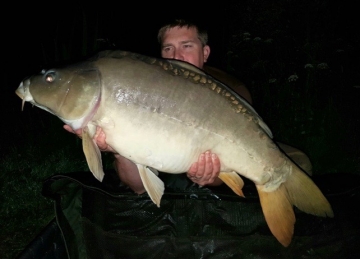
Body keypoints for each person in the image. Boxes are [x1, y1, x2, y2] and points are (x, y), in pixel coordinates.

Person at [64, 19, 312, 195]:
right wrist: (116, 148)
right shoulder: (143, 86)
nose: (176, 56)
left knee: (292, 166)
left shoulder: (232, 91)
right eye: (168, 48)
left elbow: (229, 171)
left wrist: (209, 178)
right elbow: (137, 186)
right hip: (167, 176)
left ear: (205, 52)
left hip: (220, 178)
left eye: (187, 46)